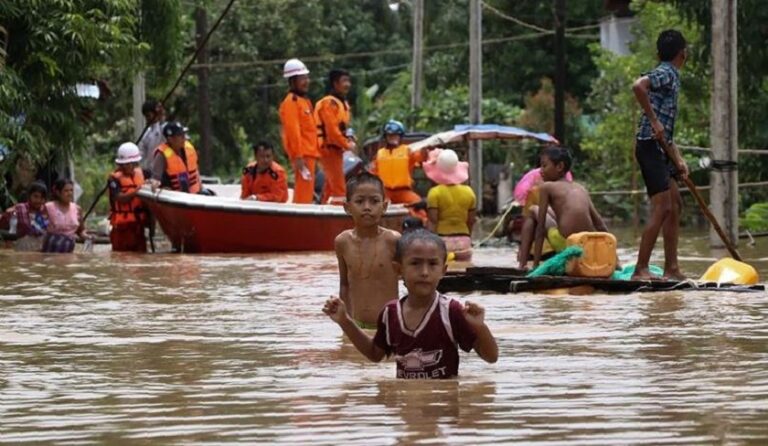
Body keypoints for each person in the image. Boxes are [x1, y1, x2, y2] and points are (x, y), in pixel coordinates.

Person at [323, 229, 498, 379]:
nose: (424, 272)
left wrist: (480, 327)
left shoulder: (451, 311)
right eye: (415, 263)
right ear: (398, 270)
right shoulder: (390, 313)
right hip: (405, 409)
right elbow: (375, 354)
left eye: (432, 264)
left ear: (443, 271)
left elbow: (491, 357)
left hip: (442, 409)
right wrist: (345, 321)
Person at [631, 30, 689, 281]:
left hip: (662, 148)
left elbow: (666, 129)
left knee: (675, 205)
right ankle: (640, 269)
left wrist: (678, 160)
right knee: (663, 206)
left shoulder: (672, 76)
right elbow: (638, 86)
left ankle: (671, 269)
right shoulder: (666, 71)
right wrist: (653, 121)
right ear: (683, 54)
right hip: (649, 146)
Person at [518, 147, 608, 269]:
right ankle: (524, 263)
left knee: (533, 209)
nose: (540, 171)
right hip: (587, 244)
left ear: (560, 166)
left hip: (566, 243)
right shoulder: (581, 188)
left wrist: (536, 266)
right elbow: (600, 224)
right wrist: (614, 261)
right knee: (543, 210)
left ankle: (522, 264)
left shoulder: (546, 187)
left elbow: (540, 228)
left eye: (544, 166)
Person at [334, 172, 400, 328]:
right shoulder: (342, 242)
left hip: (390, 325)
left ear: (384, 207)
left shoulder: (393, 240)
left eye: (374, 201)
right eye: (360, 201)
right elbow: (344, 285)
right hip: (357, 325)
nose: (367, 207)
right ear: (347, 207)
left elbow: (410, 281)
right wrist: (346, 324)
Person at [279, 58, 320, 204]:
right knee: (303, 193)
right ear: (292, 80)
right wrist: (298, 157)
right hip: (303, 155)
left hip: (309, 154)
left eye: (307, 77)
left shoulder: (304, 101)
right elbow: (293, 131)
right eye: (302, 78)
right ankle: (300, 222)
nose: (306, 81)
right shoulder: (291, 102)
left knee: (307, 192)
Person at [424, 149, 476, 261]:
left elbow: (433, 222)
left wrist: (428, 244)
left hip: (442, 241)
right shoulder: (469, 192)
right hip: (464, 240)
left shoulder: (434, 193)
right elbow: (471, 221)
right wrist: (468, 238)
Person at [315, 69, 356, 204]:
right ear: (335, 83)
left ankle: (324, 209)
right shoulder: (329, 103)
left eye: (348, 81)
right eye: (344, 81)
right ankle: (340, 214)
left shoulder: (343, 103)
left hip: (336, 150)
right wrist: (347, 145)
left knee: (330, 186)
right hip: (328, 149)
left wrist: (350, 138)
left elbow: (343, 128)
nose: (347, 84)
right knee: (339, 188)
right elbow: (332, 132)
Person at [371, 120, 425, 205]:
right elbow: (372, 173)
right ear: (386, 137)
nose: (393, 137)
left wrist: (426, 151)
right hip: (384, 192)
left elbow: (420, 157)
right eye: (390, 135)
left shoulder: (407, 150)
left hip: (403, 191)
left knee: (418, 205)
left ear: (400, 136)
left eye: (396, 135)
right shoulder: (379, 153)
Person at [108, 142, 147, 252]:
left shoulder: (142, 174)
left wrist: (153, 183)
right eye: (123, 164)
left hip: (138, 225)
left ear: (135, 163)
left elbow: (156, 179)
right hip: (122, 227)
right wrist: (137, 191)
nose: (125, 167)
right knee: (122, 258)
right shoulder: (114, 179)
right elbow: (119, 198)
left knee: (141, 257)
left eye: (128, 164)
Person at [151, 121, 201, 194]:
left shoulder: (188, 148)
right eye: (180, 135)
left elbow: (196, 172)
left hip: (195, 195)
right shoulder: (162, 155)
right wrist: (156, 183)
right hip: (175, 196)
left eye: (183, 134)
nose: (184, 137)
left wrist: (201, 187)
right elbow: (155, 179)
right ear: (170, 139)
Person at [42, 178, 89, 253]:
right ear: (58, 192)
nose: (70, 193)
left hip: (68, 248)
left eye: (71, 190)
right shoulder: (48, 207)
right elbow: (40, 227)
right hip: (51, 248)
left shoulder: (77, 209)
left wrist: (86, 236)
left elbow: (81, 231)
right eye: (66, 191)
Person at [0, 181, 49, 251]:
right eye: (35, 196)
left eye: (41, 198)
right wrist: (6, 215)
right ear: (29, 196)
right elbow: (3, 224)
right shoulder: (20, 208)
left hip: (42, 249)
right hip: (24, 247)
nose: (38, 200)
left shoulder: (46, 210)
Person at [137, 99, 166, 172]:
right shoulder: (147, 133)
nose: (147, 119)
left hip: (165, 170)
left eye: (149, 115)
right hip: (151, 171)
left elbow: (163, 127)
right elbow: (141, 154)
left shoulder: (163, 128)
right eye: (146, 116)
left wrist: (161, 113)